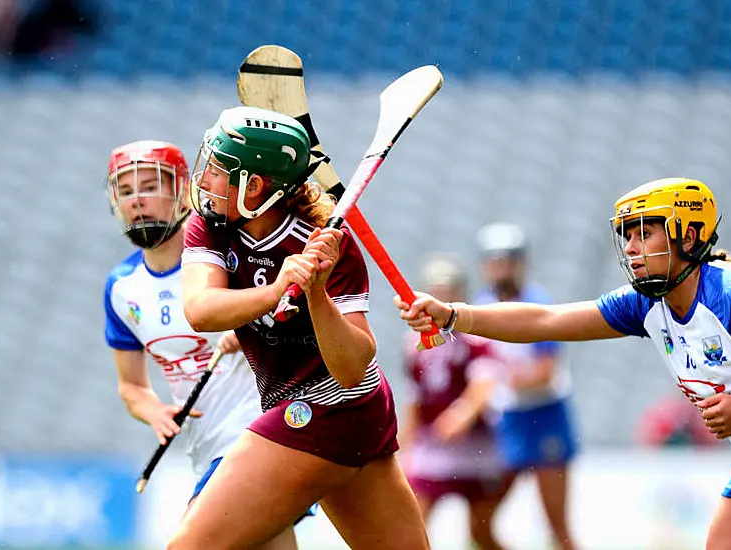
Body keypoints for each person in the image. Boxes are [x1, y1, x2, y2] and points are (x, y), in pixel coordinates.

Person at [398, 177, 731, 550]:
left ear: (688, 234)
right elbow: (548, 319)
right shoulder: (647, 303)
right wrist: (454, 315)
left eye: (646, 233)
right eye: (628, 236)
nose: (633, 248)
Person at [169, 106, 430, 550]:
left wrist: (317, 292)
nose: (205, 179)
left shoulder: (329, 245)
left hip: (333, 408)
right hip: (317, 411)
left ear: (253, 186)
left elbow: (352, 365)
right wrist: (276, 291)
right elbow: (201, 309)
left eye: (218, 169)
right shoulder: (210, 227)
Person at [101, 140, 299, 550]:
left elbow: (293, 311)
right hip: (207, 448)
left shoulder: (230, 256)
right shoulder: (122, 289)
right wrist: (154, 411)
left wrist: (251, 326)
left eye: (151, 185)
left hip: (259, 435)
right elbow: (131, 387)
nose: (137, 200)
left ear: (183, 190)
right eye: (125, 190)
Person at [474, 222, 580, 550]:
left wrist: (495, 381)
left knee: (557, 527)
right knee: (480, 523)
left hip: (544, 414)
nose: (501, 269)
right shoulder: (480, 305)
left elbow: (545, 372)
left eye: (508, 260)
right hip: (507, 420)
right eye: (495, 261)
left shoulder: (537, 302)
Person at [399, 253, 509, 550]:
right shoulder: (414, 344)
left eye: (447, 293)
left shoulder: (475, 338)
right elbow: (416, 397)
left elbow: (484, 383)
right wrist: (402, 444)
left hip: (476, 448)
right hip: (432, 446)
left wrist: (462, 413)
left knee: (481, 533)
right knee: (414, 526)